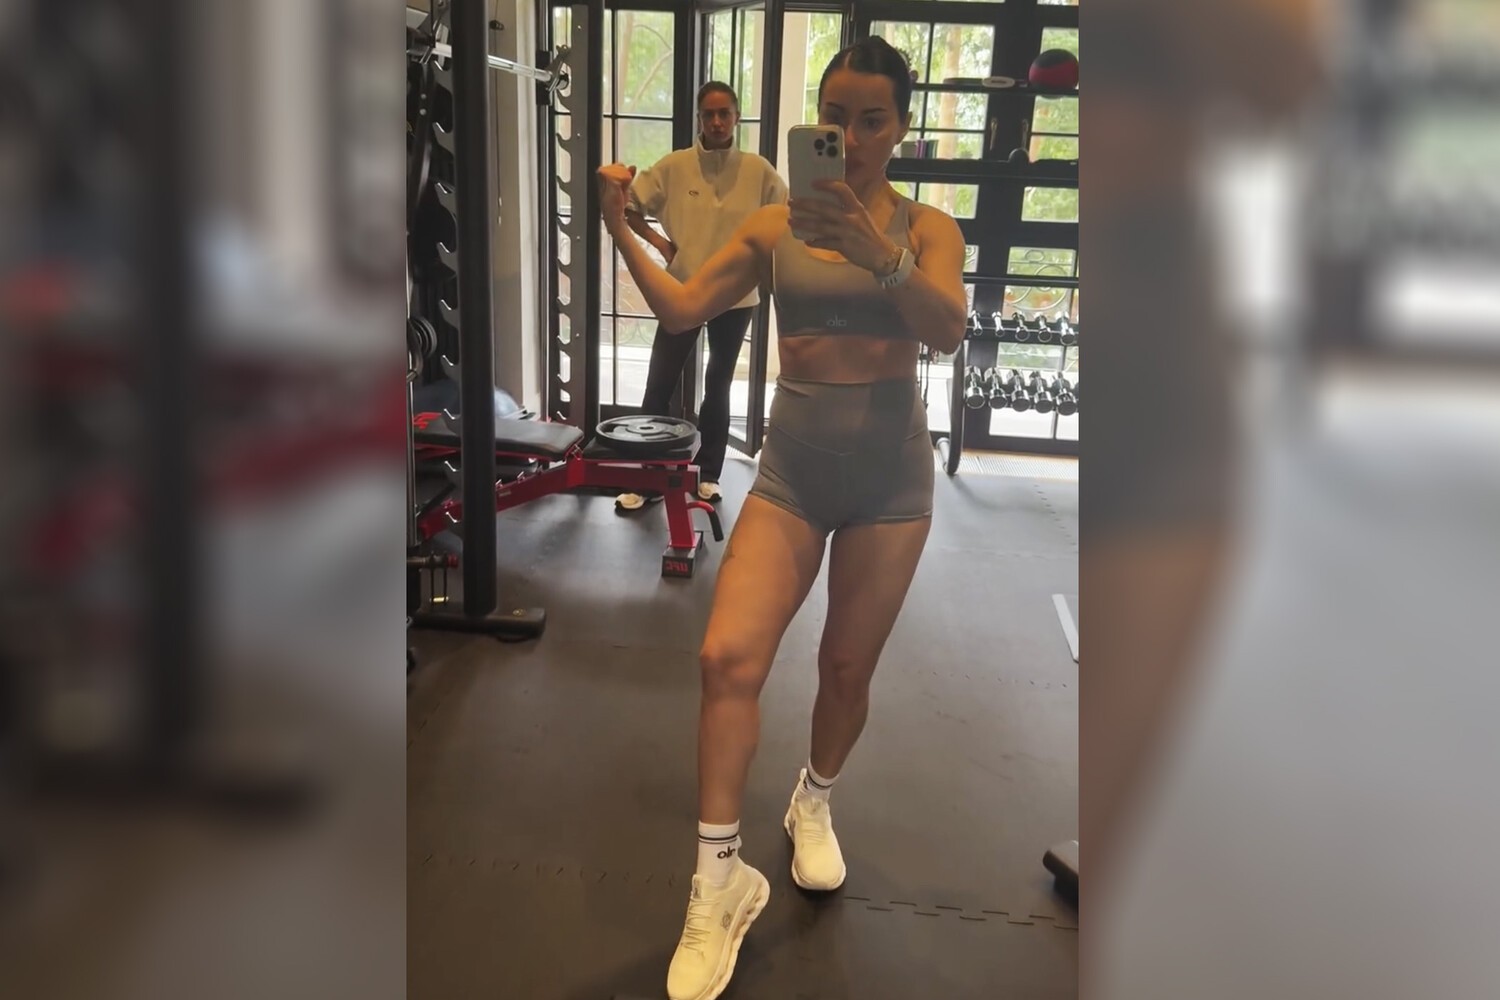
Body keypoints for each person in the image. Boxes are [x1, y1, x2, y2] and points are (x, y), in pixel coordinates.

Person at [598, 37, 967, 1000]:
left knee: (845, 668)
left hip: (891, 484)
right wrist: (617, 226)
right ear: (816, 121)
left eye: (872, 120)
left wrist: (874, 250)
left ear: (900, 128)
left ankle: (815, 798)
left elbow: (947, 328)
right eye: (835, 117)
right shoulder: (771, 227)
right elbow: (681, 310)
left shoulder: (929, 229)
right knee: (725, 658)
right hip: (794, 472)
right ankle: (719, 881)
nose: (852, 136)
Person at [615, 81, 787, 510]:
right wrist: (661, 243)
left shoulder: (758, 171)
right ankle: (647, 477)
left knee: (718, 384)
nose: (716, 121)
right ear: (699, 118)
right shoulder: (675, 166)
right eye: (708, 114)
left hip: (736, 297)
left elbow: (785, 220)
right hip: (682, 290)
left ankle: (709, 474)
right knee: (659, 384)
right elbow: (629, 206)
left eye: (724, 113)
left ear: (736, 117)